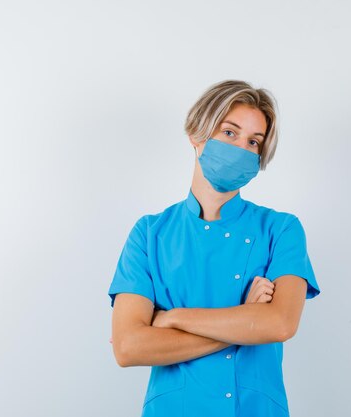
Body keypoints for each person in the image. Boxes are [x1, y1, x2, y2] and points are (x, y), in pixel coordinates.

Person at [107, 79, 321, 417]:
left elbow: (279, 324)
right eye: (230, 133)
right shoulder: (149, 234)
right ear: (196, 134)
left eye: (254, 141)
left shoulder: (280, 229)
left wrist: (172, 319)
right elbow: (129, 346)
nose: (241, 149)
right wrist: (245, 320)